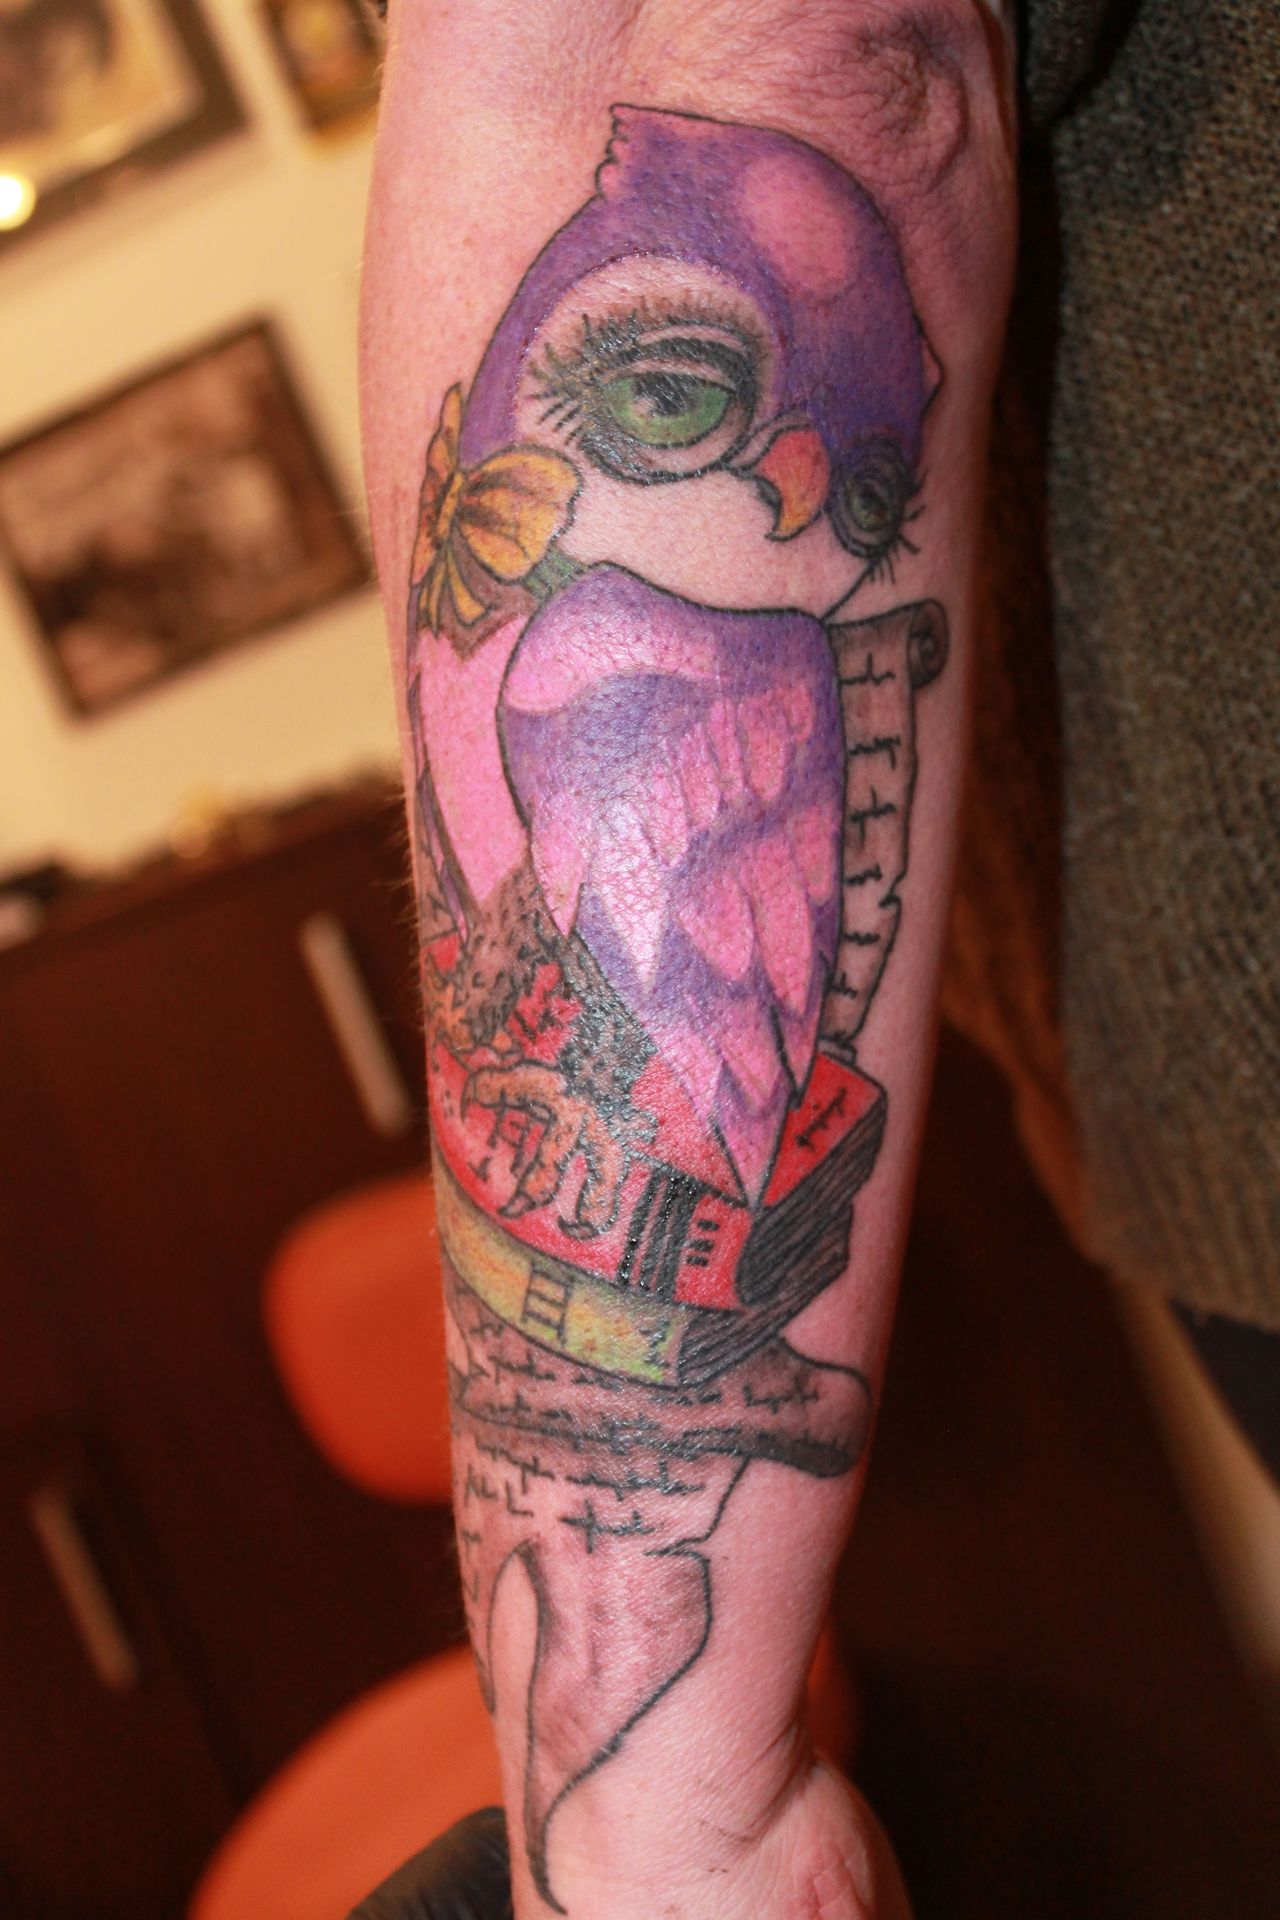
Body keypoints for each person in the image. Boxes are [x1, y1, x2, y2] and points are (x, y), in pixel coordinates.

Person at [353, 2, 1278, 1915]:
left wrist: (674, 1800)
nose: (787, 510)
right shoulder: (619, 622)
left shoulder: (674, 652)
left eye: (842, 496)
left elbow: (804, 55)